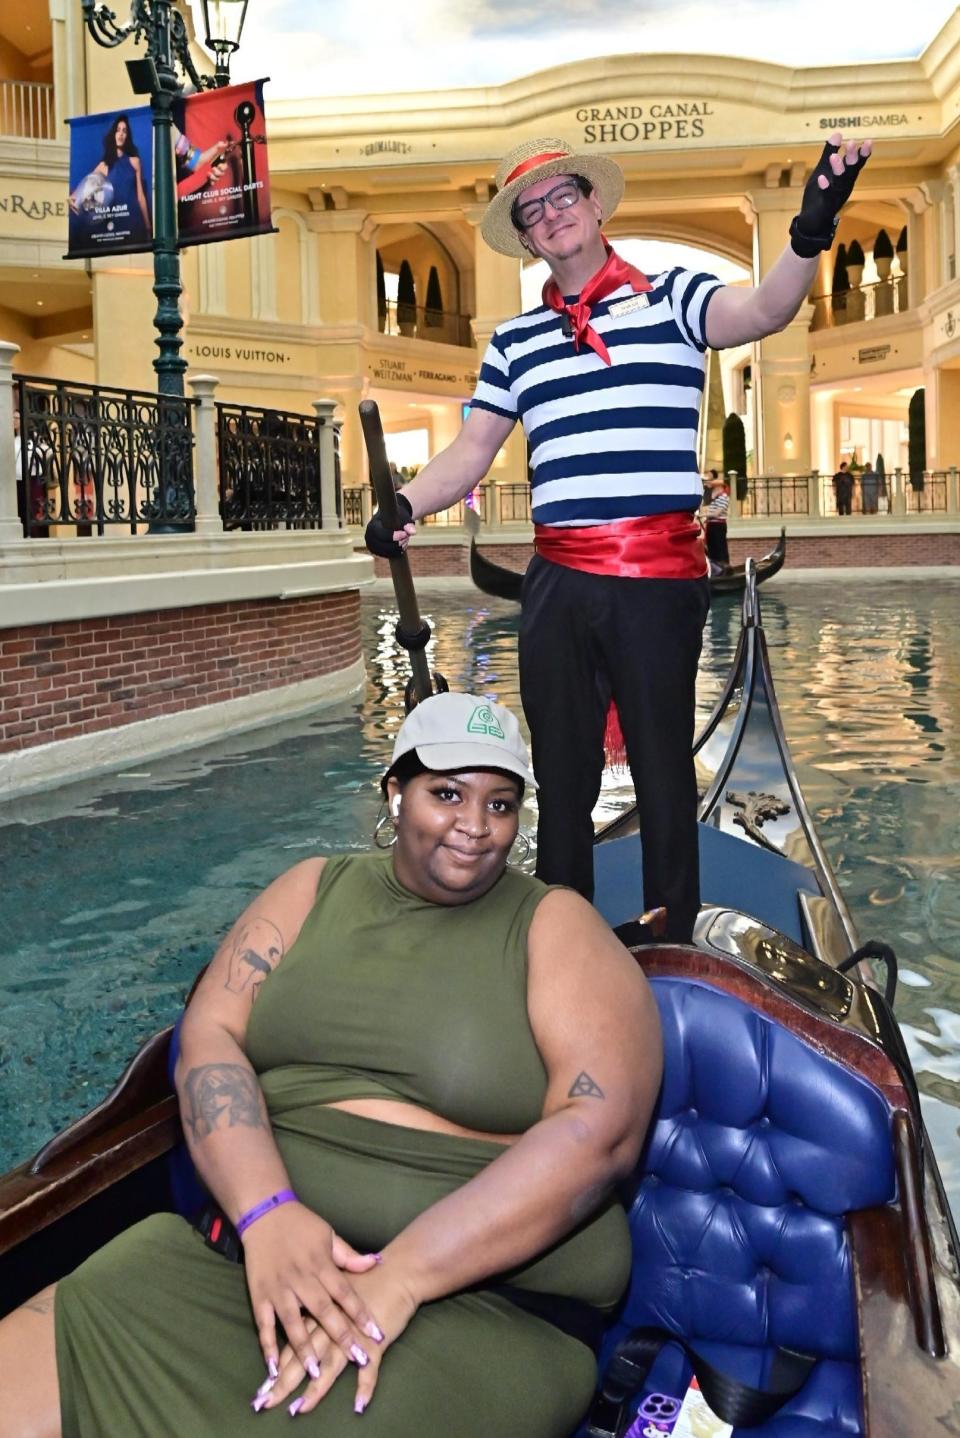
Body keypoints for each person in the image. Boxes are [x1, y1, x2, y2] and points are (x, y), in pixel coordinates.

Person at [0, 691, 662, 1438]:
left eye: (500, 804)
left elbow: (599, 1132)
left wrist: (402, 1277)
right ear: (394, 791)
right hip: (241, 1262)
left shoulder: (554, 924)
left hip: (477, 1305)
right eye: (446, 794)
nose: (475, 828)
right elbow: (210, 1037)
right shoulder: (310, 889)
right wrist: (268, 1216)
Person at [365, 133, 871, 943]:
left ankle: (672, 934)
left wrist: (809, 233)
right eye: (533, 212)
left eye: (563, 197)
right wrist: (400, 506)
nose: (552, 216)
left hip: (655, 577)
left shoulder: (675, 296)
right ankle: (561, 936)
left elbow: (765, 309)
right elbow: (469, 452)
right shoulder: (514, 342)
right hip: (556, 582)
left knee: (664, 770)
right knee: (560, 778)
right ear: (526, 238)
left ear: (595, 204)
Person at [68, 114, 151, 245]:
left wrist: (148, 226)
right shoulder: (104, 166)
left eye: (124, 131)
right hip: (115, 223)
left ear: (127, 136)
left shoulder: (135, 162)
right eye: (118, 130)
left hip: (134, 220)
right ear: (113, 134)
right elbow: (86, 187)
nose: (121, 134)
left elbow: (140, 196)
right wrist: (74, 197)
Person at [702, 470, 730, 569]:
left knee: (720, 548)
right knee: (712, 549)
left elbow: (716, 513)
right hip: (711, 525)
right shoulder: (713, 498)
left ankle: (724, 568)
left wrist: (702, 515)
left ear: (720, 487)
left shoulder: (724, 497)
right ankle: (715, 569)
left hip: (718, 526)